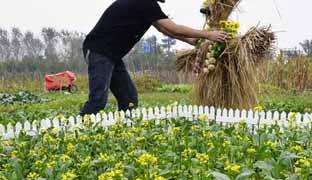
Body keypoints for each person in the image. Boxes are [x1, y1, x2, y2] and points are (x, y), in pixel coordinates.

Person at [80, 0, 228, 116]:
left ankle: (124, 129)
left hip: (112, 55)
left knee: (129, 98)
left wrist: (193, 41)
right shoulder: (144, 3)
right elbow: (173, 28)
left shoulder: (146, 5)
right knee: (98, 99)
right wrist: (207, 34)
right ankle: (79, 128)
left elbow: (166, 30)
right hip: (99, 51)